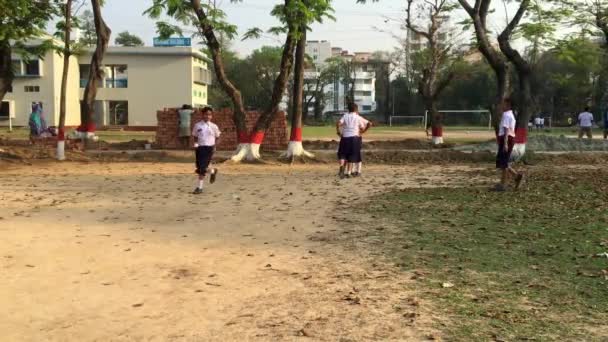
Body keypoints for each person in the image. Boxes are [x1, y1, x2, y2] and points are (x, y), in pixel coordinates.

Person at [494, 98, 524, 192]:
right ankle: (517, 176)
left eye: (503, 104)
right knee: (503, 162)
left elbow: (506, 130)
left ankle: (503, 185)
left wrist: (505, 143)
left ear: (508, 105)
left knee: (503, 163)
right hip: (507, 139)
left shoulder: (507, 115)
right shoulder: (510, 114)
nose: (501, 106)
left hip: (507, 139)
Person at [336, 103, 371, 179]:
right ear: (356, 109)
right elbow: (369, 123)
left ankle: (342, 167)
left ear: (348, 109)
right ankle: (348, 173)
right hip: (354, 138)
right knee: (351, 156)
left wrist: (338, 132)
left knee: (342, 154)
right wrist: (363, 131)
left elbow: (338, 123)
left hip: (345, 138)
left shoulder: (345, 116)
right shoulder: (358, 117)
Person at [192, 107, 221, 194]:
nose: (207, 116)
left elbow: (218, 137)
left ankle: (199, 188)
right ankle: (213, 171)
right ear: (202, 115)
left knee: (202, 169)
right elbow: (195, 135)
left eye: (209, 115)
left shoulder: (214, 126)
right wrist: (196, 143)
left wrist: (215, 146)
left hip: (209, 148)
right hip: (200, 148)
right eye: (206, 114)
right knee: (200, 167)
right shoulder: (197, 125)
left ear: (211, 116)